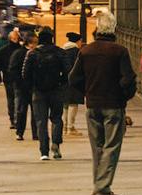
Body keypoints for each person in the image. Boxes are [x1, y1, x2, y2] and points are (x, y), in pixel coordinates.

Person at [69, 9, 136, 195]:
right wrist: (123, 96)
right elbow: (128, 79)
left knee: (97, 146)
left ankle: (99, 184)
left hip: (93, 105)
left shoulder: (85, 51)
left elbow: (73, 78)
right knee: (112, 146)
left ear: (98, 29)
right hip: (113, 105)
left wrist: (87, 92)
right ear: (113, 29)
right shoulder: (119, 51)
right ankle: (102, 187)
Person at [23, 27, 68, 161]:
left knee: (41, 121)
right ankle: (56, 144)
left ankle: (44, 151)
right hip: (56, 90)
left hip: (38, 92)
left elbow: (25, 74)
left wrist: (31, 87)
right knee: (56, 118)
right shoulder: (60, 52)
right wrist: (61, 82)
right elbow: (67, 70)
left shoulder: (32, 53)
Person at [6, 29, 34, 141]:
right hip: (23, 87)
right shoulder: (21, 53)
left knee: (25, 111)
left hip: (26, 87)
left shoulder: (20, 53)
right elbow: (13, 70)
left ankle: (26, 132)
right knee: (23, 111)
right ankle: (21, 131)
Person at [0, 25, 18, 129]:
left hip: (19, 79)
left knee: (17, 100)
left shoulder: (18, 50)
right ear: (10, 39)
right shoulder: (4, 50)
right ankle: (13, 119)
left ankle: (16, 119)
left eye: (17, 38)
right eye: (14, 38)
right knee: (12, 99)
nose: (16, 40)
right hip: (9, 79)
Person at [60, 32, 85, 136]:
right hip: (74, 82)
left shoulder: (62, 51)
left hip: (63, 81)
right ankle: (71, 127)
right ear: (77, 41)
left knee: (65, 105)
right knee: (73, 104)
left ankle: (64, 127)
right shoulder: (77, 52)